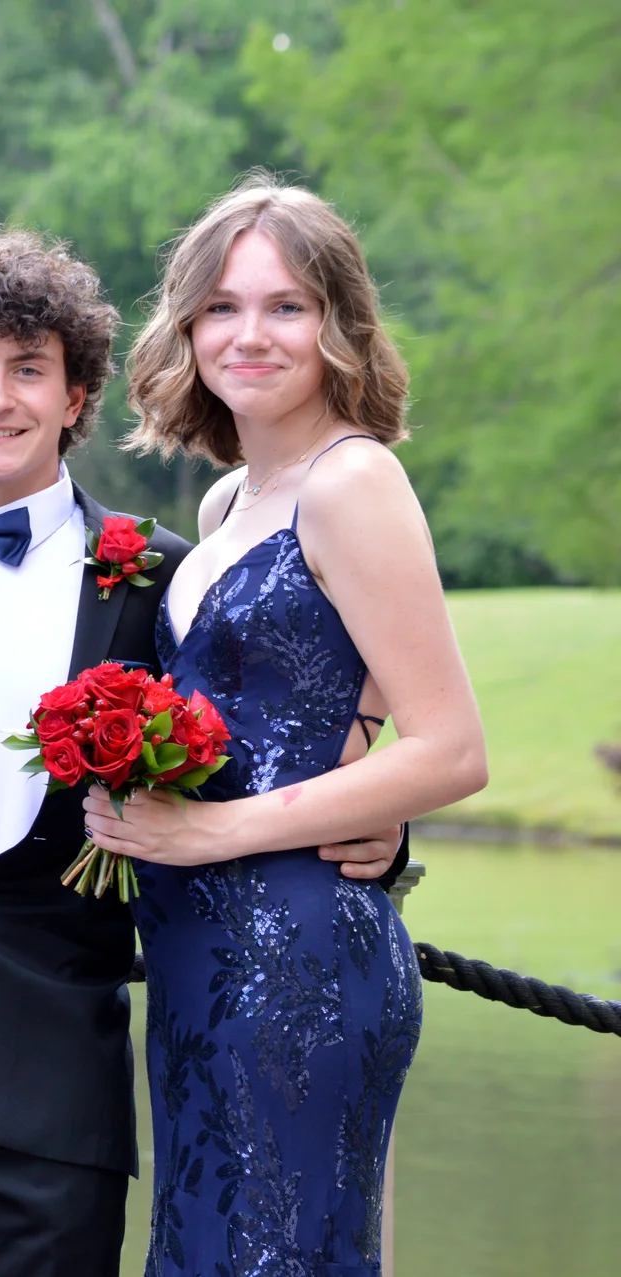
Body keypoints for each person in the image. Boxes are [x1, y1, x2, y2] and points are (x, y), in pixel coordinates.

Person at [0, 228, 403, 1277]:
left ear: (76, 396)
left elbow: (273, 713)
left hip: (50, 1093)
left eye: (28, 369)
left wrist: (380, 812)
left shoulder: (159, 576)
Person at [90, 177, 489, 1275]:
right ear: (186, 327)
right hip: (197, 950)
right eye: (221, 306)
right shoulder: (229, 501)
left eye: (286, 306)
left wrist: (209, 832)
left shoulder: (355, 480)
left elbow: (452, 748)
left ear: (339, 323)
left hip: (296, 961)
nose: (249, 334)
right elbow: (316, 706)